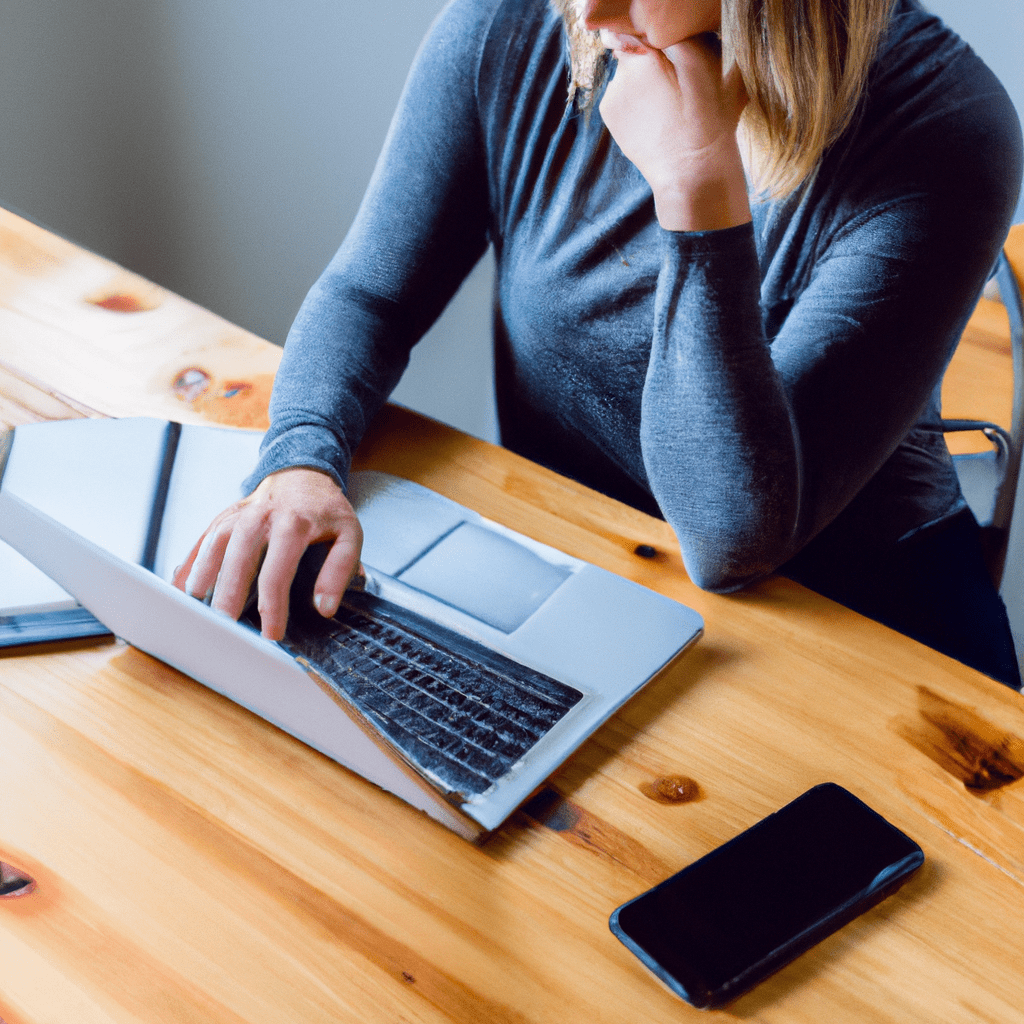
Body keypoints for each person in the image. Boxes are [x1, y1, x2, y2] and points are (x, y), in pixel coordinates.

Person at [174, 0, 1023, 687]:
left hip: (863, 636)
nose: (588, 9)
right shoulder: (513, 27)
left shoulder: (947, 128)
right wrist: (300, 464)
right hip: (598, 594)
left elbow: (734, 535)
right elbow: (371, 294)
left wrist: (696, 194)